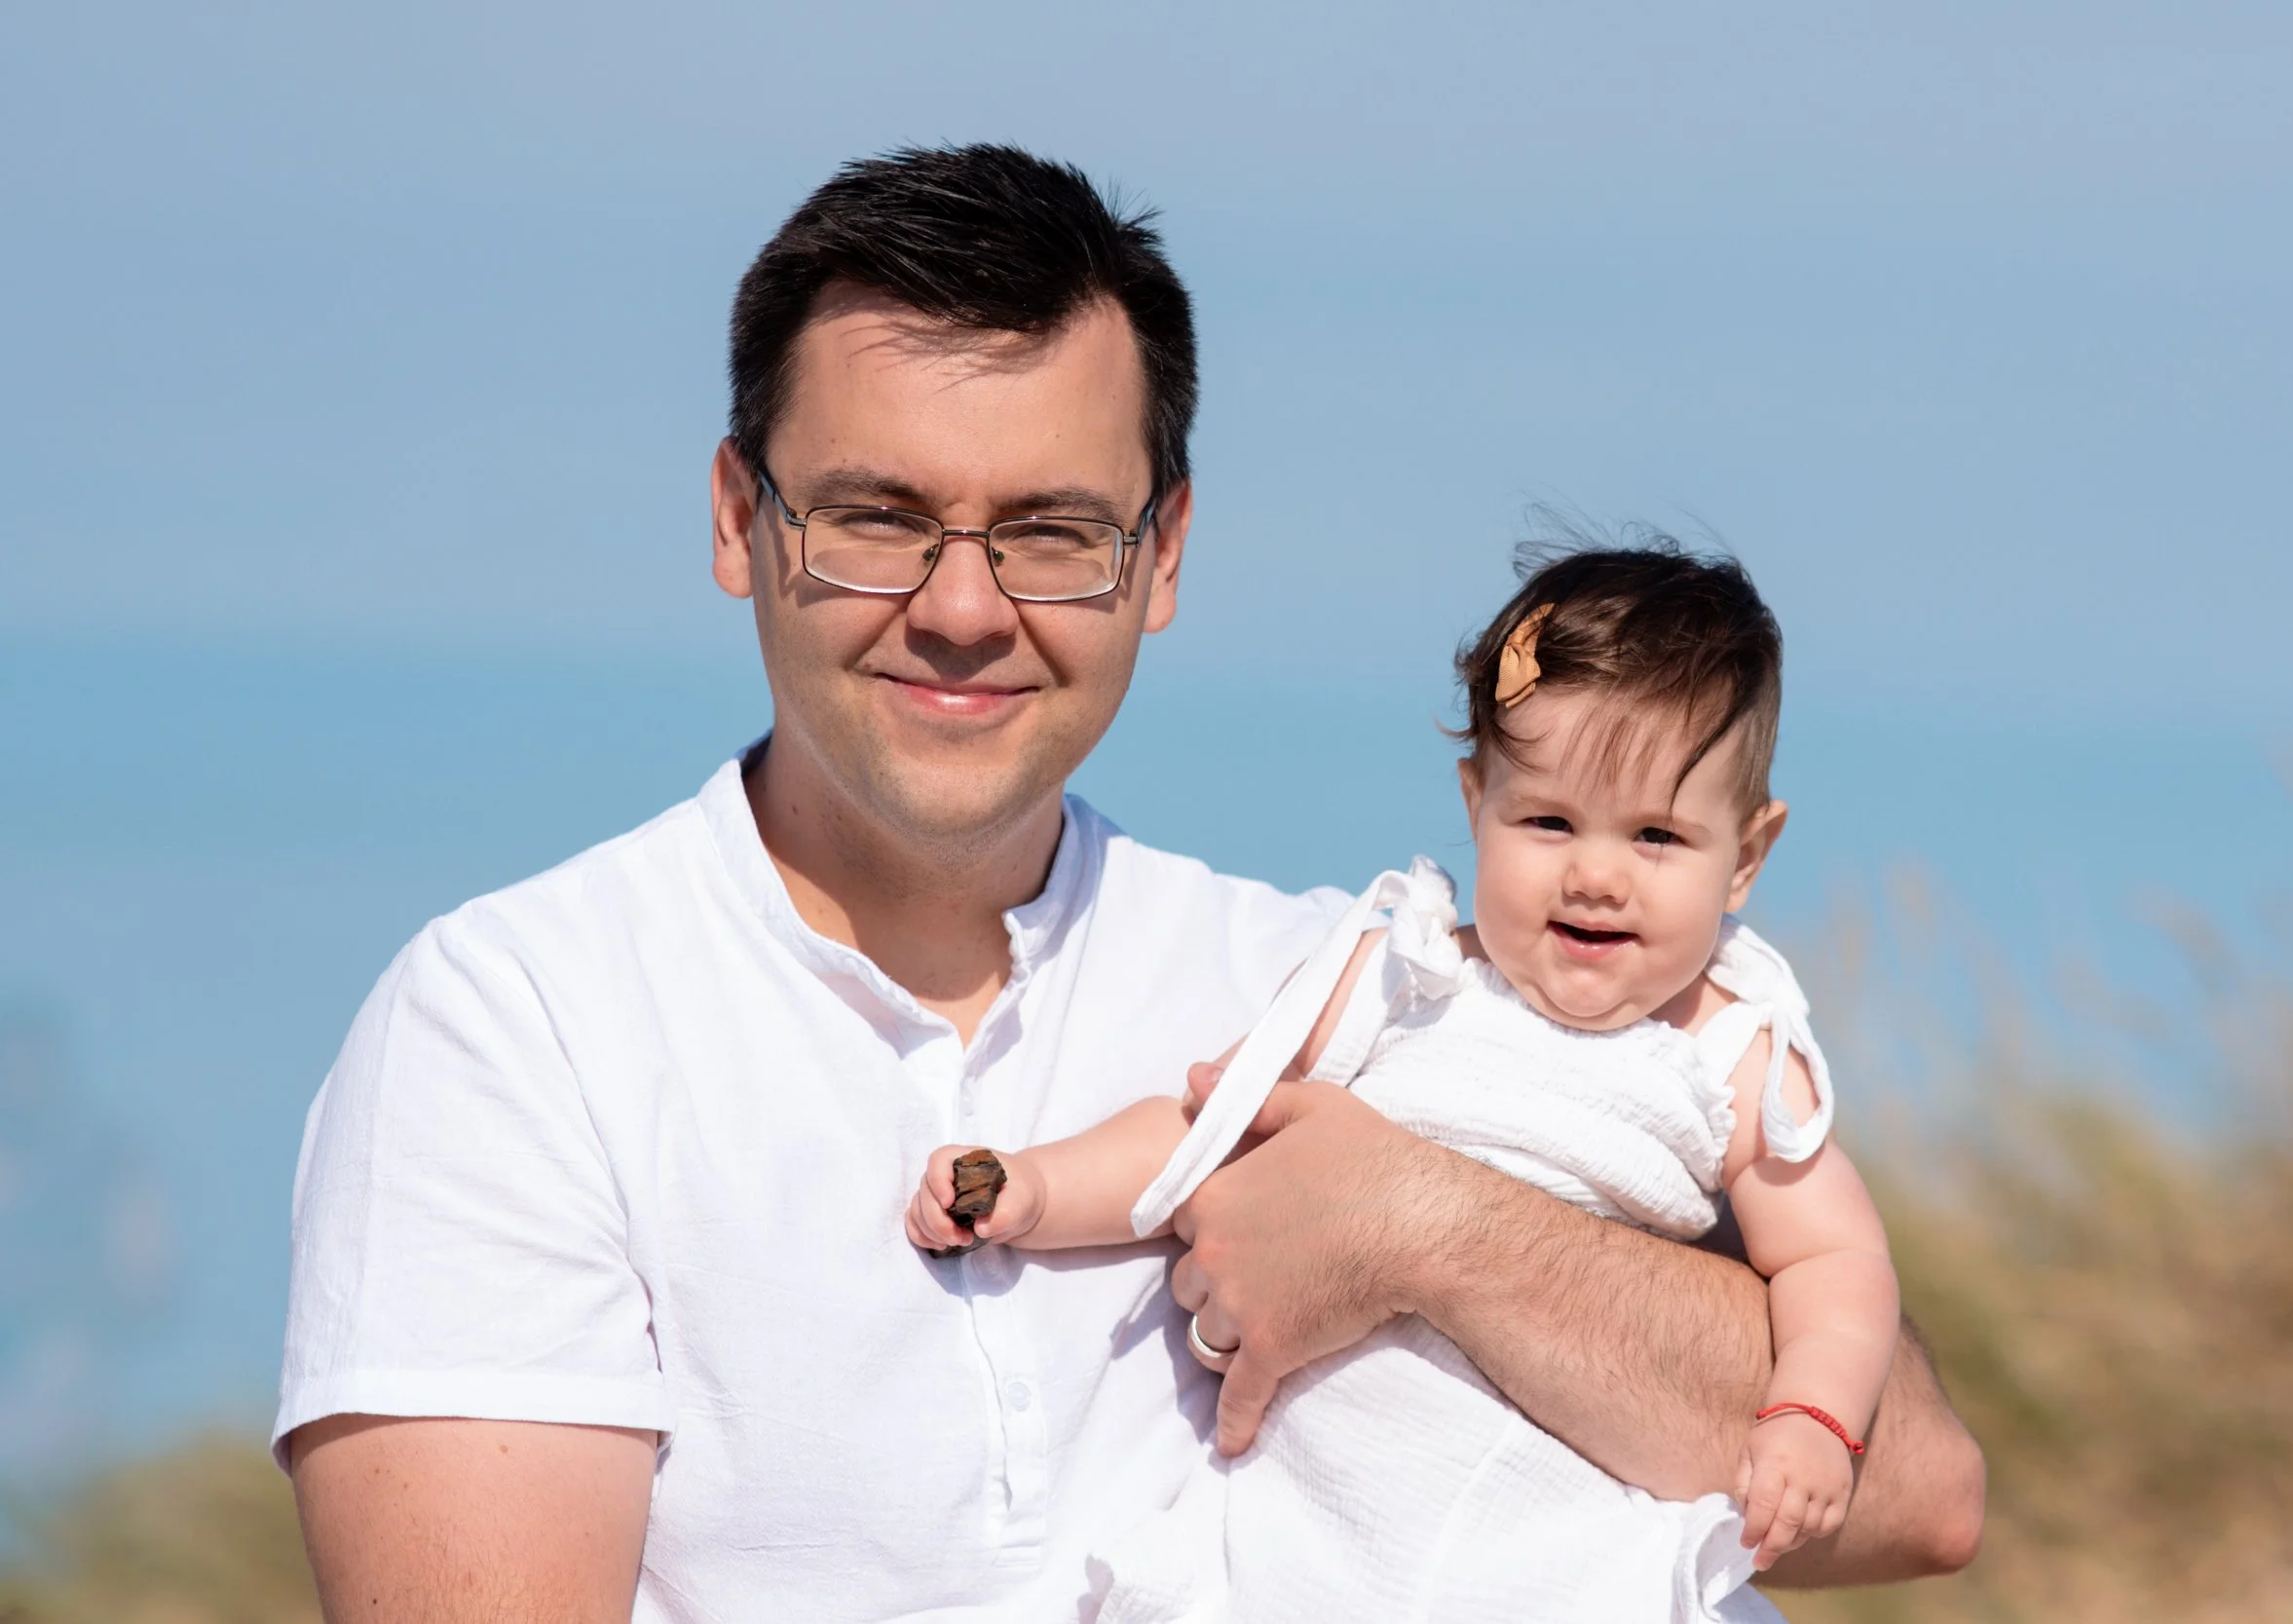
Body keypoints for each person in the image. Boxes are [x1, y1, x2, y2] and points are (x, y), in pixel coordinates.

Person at [277, 144, 1983, 1623]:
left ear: (1159, 556)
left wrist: (1427, 1225)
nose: (961, 608)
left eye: (1050, 532)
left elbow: (1915, 1487)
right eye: (874, 517)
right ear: (740, 519)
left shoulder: (1349, 986)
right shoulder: (516, 1028)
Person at [906, 547, 1898, 1622]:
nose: (1595, 874)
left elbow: (1833, 1258)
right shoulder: (1400, 980)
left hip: (1568, 1558)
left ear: (1746, 855)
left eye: (1656, 835)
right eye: (1549, 821)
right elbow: (1209, 1129)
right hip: (1317, 1532)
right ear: (1477, 801)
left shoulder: (1734, 1055)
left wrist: (1814, 1414)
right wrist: (1037, 1186)